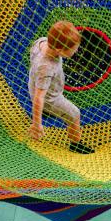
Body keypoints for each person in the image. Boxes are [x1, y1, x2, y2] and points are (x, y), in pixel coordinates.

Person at [27, 20, 94, 154]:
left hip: (34, 84)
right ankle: (75, 144)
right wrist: (36, 124)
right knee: (74, 114)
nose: (76, 51)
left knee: (41, 92)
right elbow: (39, 98)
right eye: (73, 50)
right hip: (49, 99)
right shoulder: (46, 66)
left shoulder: (42, 42)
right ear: (59, 50)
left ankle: (44, 112)